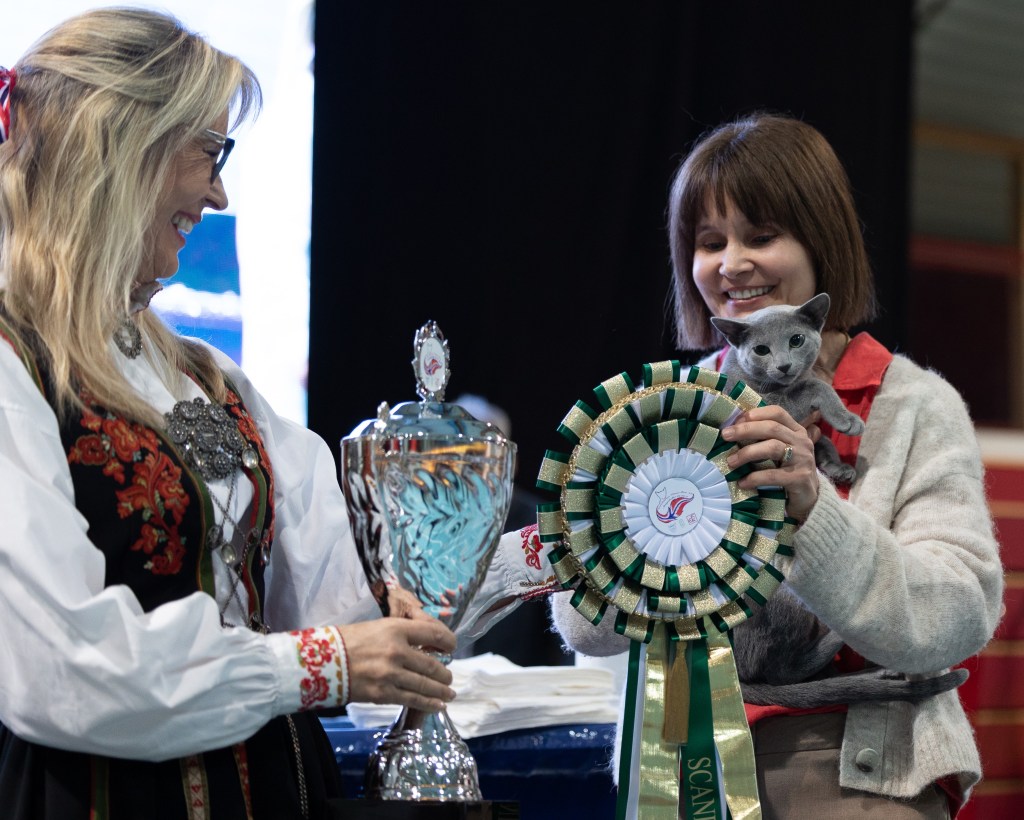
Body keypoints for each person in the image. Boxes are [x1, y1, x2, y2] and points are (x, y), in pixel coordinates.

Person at [0, 9, 542, 818]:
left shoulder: (189, 381)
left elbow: (333, 599)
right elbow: (59, 666)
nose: (219, 192)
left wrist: (551, 554)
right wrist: (317, 665)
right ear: (118, 147)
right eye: (208, 152)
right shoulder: (15, 363)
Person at [551, 113, 1003, 818]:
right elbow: (587, 631)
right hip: (682, 769)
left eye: (762, 236)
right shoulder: (664, 413)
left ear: (821, 242)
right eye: (709, 242)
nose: (732, 263)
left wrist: (815, 510)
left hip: (858, 767)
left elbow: (959, 614)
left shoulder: (914, 405)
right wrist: (606, 539)